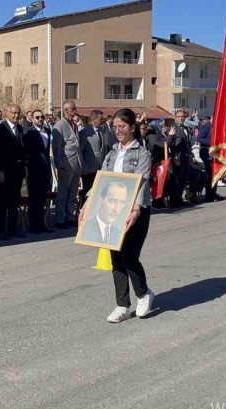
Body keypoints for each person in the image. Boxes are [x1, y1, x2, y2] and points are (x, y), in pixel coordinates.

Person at [79, 108, 153, 323]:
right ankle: (122, 305)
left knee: (130, 256)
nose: (118, 131)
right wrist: (87, 205)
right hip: (113, 212)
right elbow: (101, 181)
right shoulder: (111, 153)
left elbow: (141, 181)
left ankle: (143, 294)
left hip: (135, 212)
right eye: (115, 127)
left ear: (132, 128)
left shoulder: (142, 153)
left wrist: (136, 209)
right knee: (116, 259)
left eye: (122, 127)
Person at [0, 104, 27, 239]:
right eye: (13, 113)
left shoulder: (19, 128)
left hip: (17, 171)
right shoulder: (0, 129)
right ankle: (1, 229)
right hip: (5, 171)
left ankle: (13, 229)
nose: (16, 116)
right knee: (3, 201)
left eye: (18, 113)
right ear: (7, 113)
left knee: (14, 201)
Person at [52, 100, 82, 229]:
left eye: (75, 108)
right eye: (73, 109)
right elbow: (57, 148)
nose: (75, 111)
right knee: (62, 193)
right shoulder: (59, 126)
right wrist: (59, 166)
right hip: (66, 163)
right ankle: (60, 219)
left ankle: (70, 216)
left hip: (76, 163)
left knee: (72, 193)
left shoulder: (73, 124)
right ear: (66, 110)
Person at [24, 109, 53, 234]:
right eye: (37, 117)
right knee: (34, 199)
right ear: (32, 119)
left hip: (45, 168)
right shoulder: (28, 132)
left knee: (42, 198)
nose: (40, 119)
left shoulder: (47, 130)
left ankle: (42, 224)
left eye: (42, 117)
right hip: (34, 169)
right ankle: (33, 225)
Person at [79, 110, 111, 206]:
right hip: (88, 169)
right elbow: (80, 151)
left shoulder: (101, 130)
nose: (102, 121)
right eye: (100, 119)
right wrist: (83, 167)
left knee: (98, 193)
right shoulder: (85, 133)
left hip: (99, 167)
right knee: (88, 193)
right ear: (93, 119)